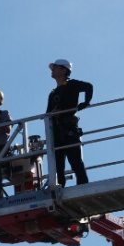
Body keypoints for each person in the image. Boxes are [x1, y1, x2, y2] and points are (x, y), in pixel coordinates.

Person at [46, 58, 93, 186]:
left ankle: (83, 186)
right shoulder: (53, 93)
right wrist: (52, 114)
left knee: (75, 161)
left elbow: (89, 87)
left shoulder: (71, 85)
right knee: (58, 165)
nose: (52, 70)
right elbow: (47, 115)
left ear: (63, 70)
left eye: (55, 67)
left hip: (69, 129)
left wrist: (86, 102)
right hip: (57, 131)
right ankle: (60, 187)